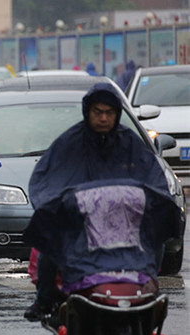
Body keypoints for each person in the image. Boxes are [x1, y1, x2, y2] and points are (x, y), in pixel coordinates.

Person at [23, 82, 173, 321]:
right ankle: (44, 300)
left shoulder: (132, 144)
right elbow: (48, 178)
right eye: (97, 112)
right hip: (80, 222)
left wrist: (155, 202)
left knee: (158, 241)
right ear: (87, 112)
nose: (103, 118)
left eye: (109, 112)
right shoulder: (69, 143)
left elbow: (152, 178)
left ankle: (147, 288)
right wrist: (55, 207)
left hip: (126, 222)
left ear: (118, 114)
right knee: (49, 246)